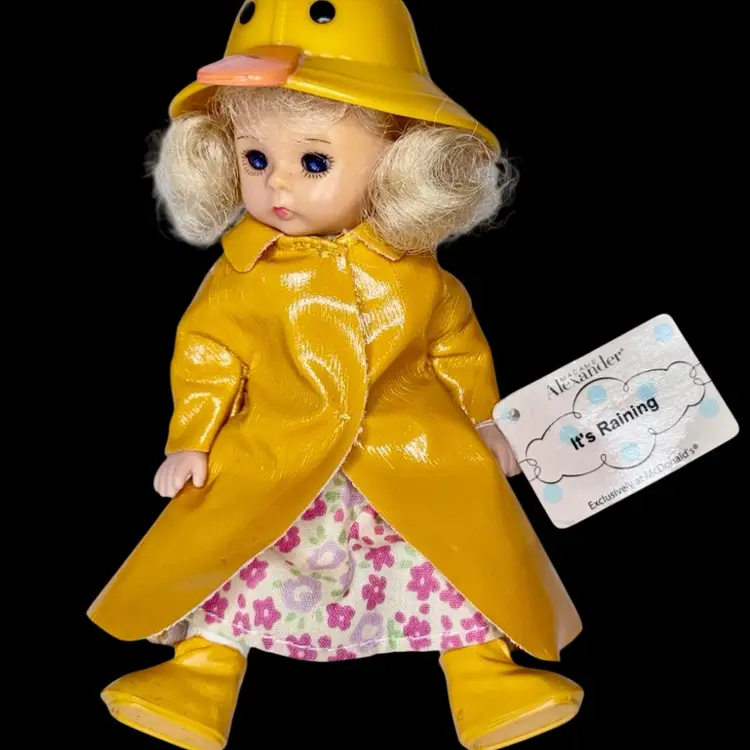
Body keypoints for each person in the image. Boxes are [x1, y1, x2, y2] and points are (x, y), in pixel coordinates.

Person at [87, 2, 584, 749]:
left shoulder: (421, 278)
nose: (277, 188)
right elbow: (208, 355)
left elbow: (457, 351)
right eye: (256, 160)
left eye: (314, 162)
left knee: (456, 557)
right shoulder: (242, 277)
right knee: (236, 558)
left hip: (413, 455)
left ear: (401, 160)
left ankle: (483, 674)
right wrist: (191, 439)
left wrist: (487, 421)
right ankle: (201, 673)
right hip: (275, 458)